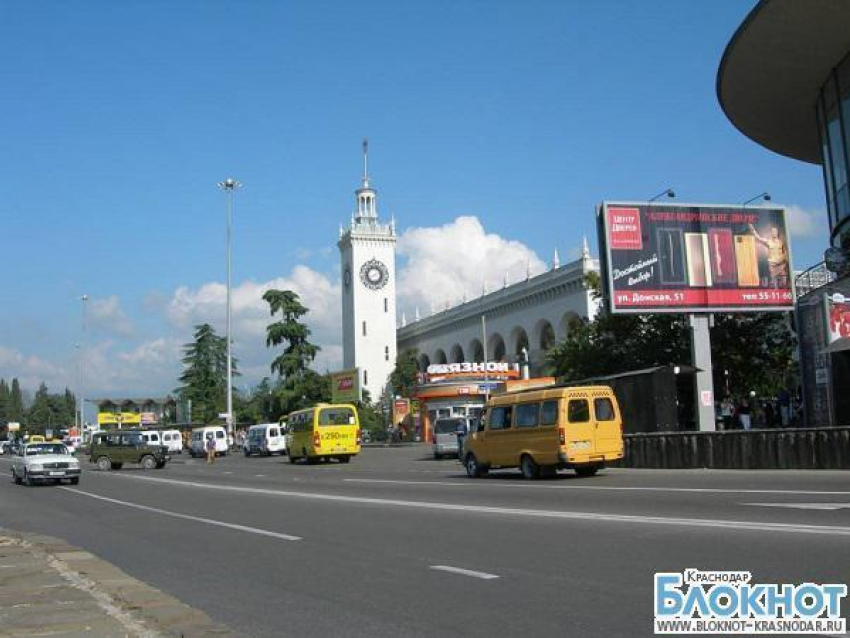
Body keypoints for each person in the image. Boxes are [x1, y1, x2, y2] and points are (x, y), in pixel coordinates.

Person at [749, 223, 789, 289]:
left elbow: (786, 253)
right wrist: (751, 228)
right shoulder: (769, 242)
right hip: (773, 266)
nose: (774, 233)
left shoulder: (781, 242)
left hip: (781, 265)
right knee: (775, 285)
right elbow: (757, 237)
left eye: (775, 231)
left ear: (777, 232)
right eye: (772, 231)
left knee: (784, 285)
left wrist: (784, 260)